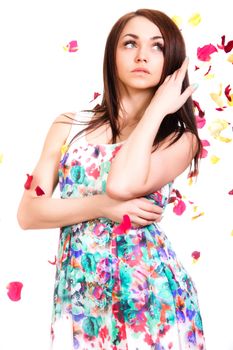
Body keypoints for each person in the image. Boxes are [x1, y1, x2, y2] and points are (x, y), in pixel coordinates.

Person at [17, 8, 206, 350]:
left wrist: (158, 109)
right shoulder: (69, 126)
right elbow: (29, 213)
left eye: (157, 47)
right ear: (112, 55)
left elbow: (122, 184)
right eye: (129, 43)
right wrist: (104, 206)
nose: (142, 55)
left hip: (150, 299)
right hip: (80, 299)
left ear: (173, 61)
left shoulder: (180, 139)